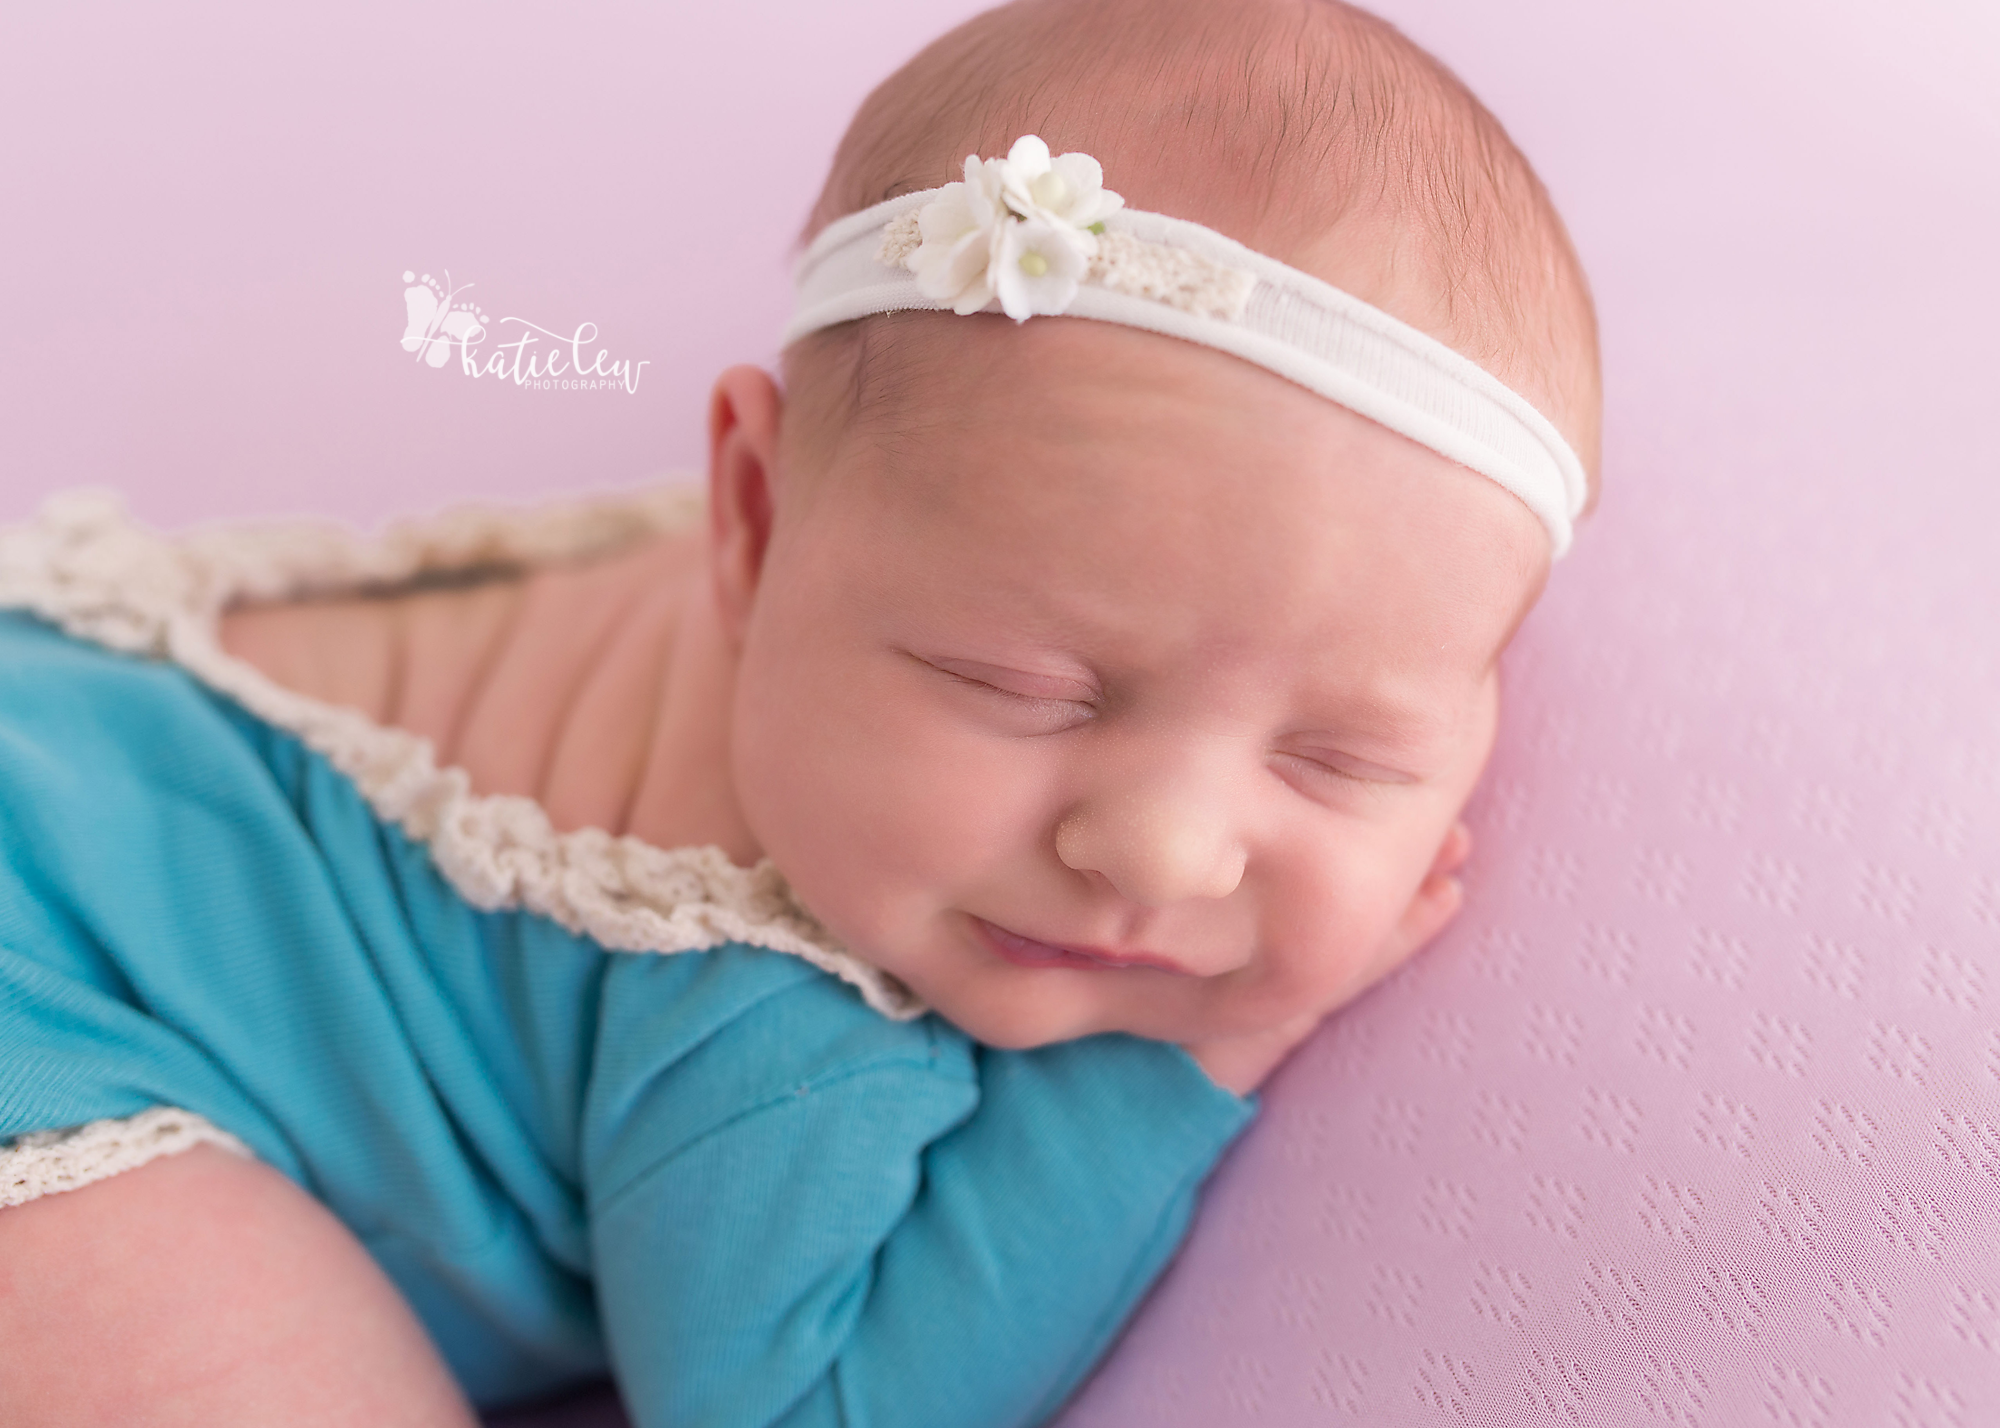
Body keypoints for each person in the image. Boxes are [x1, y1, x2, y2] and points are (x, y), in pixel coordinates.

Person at [0, 0, 1600, 1423]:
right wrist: (1188, 1053)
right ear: (751, 521)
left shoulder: (902, 532)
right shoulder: (784, 1009)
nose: (1166, 848)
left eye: (1340, 757)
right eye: (1023, 689)